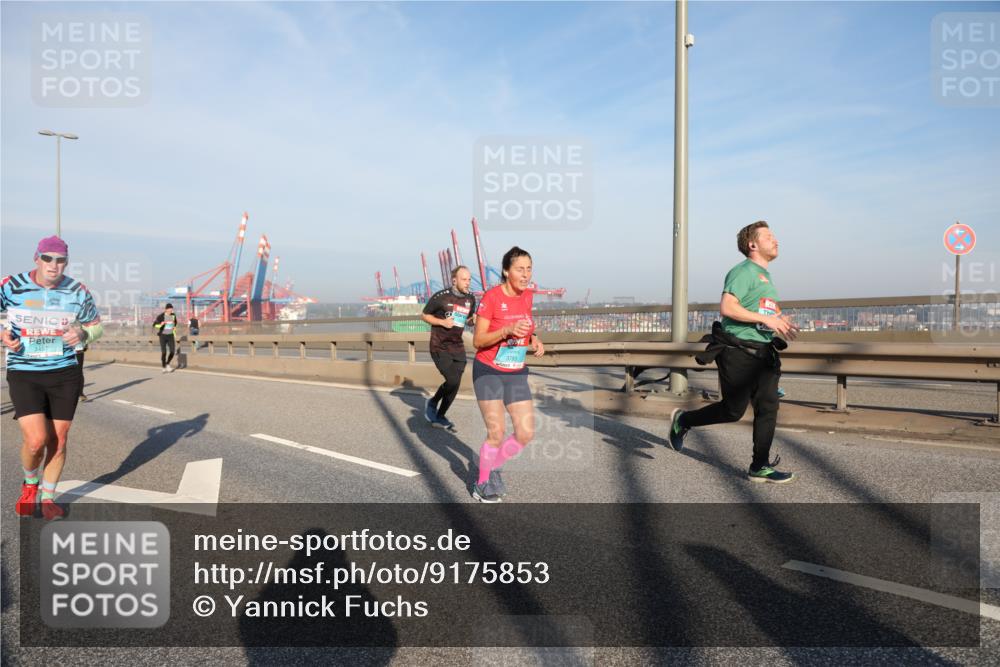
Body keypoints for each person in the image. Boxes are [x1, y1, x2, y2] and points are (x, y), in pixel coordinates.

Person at [668, 221, 799, 484]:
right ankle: (683, 420)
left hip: (763, 352)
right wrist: (767, 319)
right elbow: (727, 308)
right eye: (768, 236)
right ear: (752, 245)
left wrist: (778, 319)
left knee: (768, 406)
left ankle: (759, 466)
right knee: (733, 411)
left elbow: (762, 310)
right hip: (738, 350)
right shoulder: (743, 271)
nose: (775, 240)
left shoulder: (765, 276)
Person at [1, 236, 103, 519]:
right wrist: (2, 335)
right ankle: (30, 484)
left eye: (60, 260)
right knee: (36, 440)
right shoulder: (11, 285)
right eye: (47, 258)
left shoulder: (77, 291)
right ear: (37, 258)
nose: (53, 265)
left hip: (64, 373)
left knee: (59, 439)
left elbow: (96, 327)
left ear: (66, 263)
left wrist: (82, 333)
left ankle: (48, 498)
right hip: (24, 371)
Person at [471, 247, 545, 502]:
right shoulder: (492, 297)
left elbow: (527, 324)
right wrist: (507, 330)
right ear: (506, 271)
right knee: (497, 432)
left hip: (515, 372)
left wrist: (534, 338)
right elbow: (478, 340)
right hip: (488, 370)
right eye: (519, 269)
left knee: (525, 433)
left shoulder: (527, 296)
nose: (525, 274)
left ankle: (492, 466)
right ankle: (482, 483)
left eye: (529, 269)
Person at [421, 266, 476, 432]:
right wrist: (442, 322)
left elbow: (468, 320)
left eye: (469, 279)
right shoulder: (441, 296)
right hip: (439, 345)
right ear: (454, 280)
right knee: (452, 380)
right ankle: (433, 403)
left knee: (455, 383)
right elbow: (424, 315)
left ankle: (440, 415)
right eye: (464, 279)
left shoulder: (471, 298)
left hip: (457, 346)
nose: (468, 283)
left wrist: (473, 320)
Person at [153, 303, 179, 372]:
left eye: (171, 309)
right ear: (166, 309)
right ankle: (163, 366)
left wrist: (174, 328)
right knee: (164, 352)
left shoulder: (173, 315)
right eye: (169, 309)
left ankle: (167, 364)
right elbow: (154, 325)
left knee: (172, 351)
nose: (171, 310)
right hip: (163, 336)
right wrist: (160, 324)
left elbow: (175, 323)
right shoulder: (161, 316)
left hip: (170, 335)